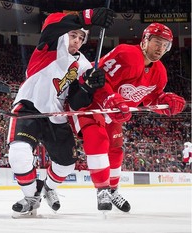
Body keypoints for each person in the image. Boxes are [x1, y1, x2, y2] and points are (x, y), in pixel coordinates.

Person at [7, 7, 114, 216]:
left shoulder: (83, 65)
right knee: (18, 154)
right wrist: (86, 17)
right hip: (29, 107)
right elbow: (53, 24)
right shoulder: (50, 45)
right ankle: (31, 198)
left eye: (81, 38)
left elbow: (76, 102)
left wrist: (88, 87)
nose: (76, 40)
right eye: (73, 35)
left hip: (56, 116)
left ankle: (47, 188)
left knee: (66, 165)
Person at [70, 23, 186, 212]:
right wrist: (110, 98)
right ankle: (102, 190)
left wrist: (164, 102)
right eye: (157, 42)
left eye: (165, 45)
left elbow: (147, 99)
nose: (160, 48)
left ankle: (113, 190)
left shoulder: (160, 73)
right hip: (92, 103)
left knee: (116, 152)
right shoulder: (128, 54)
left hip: (114, 112)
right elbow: (98, 78)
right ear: (145, 40)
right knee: (98, 141)